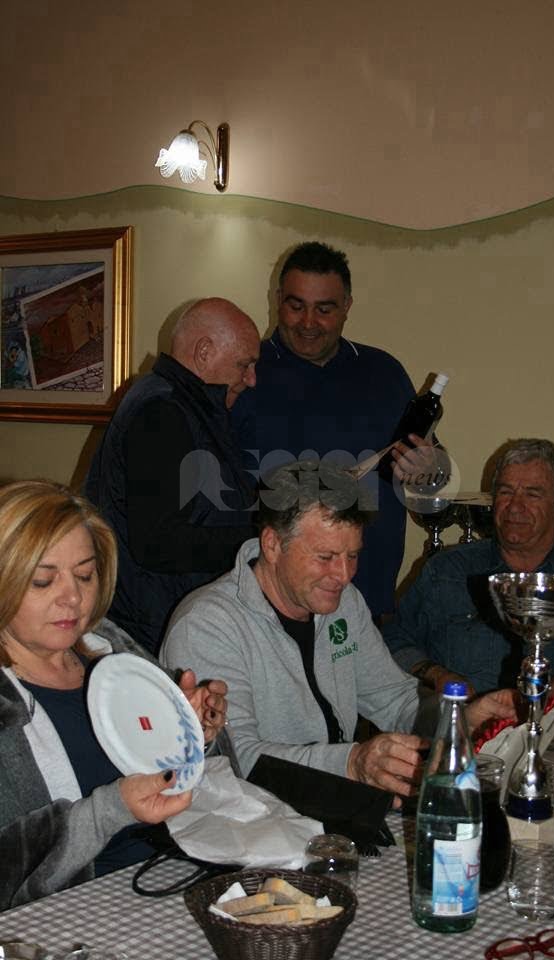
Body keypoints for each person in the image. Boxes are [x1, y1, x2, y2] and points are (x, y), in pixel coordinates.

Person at [160, 460, 516, 801]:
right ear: (272, 545)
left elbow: (395, 700)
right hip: (246, 822)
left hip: (332, 804)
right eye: (326, 557)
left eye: (353, 556)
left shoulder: (344, 602)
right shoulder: (206, 625)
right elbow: (235, 761)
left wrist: (458, 718)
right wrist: (351, 763)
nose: (344, 576)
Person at [0, 480, 228, 910]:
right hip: (72, 913)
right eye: (43, 581)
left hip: (176, 876)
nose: (72, 597)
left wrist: (192, 731)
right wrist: (111, 809)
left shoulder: (109, 649)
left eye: (85, 575)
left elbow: (193, 782)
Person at [231, 241, 419, 622]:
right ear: (277, 300)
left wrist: (427, 470)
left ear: (347, 306)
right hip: (267, 609)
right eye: (296, 306)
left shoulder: (385, 375)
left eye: (324, 309)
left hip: (368, 603)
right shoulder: (244, 375)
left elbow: (429, 479)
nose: (308, 322)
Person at [383, 438, 554, 698]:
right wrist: (439, 677)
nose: (515, 507)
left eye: (532, 494)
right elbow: (394, 642)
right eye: (506, 492)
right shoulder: (447, 571)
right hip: (466, 717)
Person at [86, 297, 260, 653]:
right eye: (244, 365)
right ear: (204, 352)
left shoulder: (182, 404)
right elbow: (158, 543)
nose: (251, 379)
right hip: (156, 626)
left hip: (164, 615)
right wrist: (260, 538)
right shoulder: (162, 412)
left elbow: (209, 502)